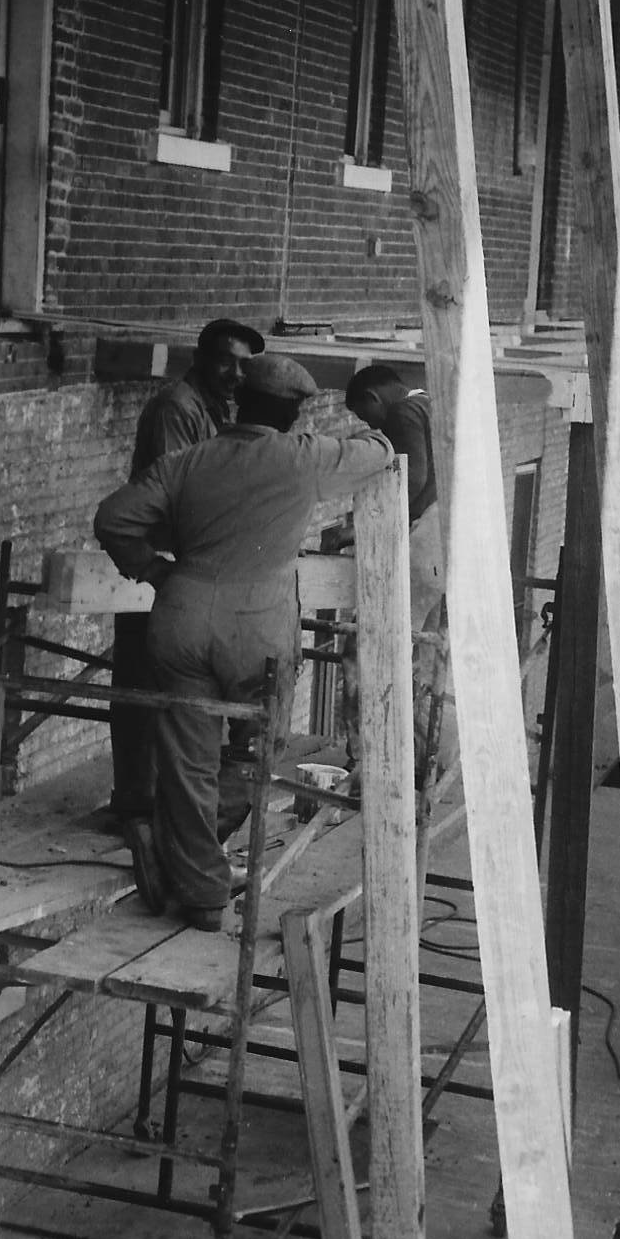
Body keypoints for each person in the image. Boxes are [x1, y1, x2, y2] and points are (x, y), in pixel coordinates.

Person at [93, 354, 396, 928]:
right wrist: (386, 428)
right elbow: (376, 455)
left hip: (180, 620)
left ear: (237, 401)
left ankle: (202, 890)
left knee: (187, 760)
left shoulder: (187, 461)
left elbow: (114, 518)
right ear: (295, 413)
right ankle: (183, 851)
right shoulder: (303, 456)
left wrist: (154, 571)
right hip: (258, 633)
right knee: (259, 751)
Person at [106, 318, 266, 820]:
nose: (236, 374)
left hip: (194, 571)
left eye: (246, 366)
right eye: (227, 361)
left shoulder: (217, 411)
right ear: (200, 358)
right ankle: (139, 806)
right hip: (167, 572)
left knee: (178, 697)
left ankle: (161, 808)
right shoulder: (177, 408)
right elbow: (184, 493)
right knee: (147, 692)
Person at [344, 363, 454, 796]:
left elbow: (414, 479)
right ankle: (428, 763)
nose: (369, 424)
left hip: (424, 539)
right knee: (425, 659)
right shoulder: (433, 407)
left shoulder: (403, 413)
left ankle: (368, 759)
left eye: (363, 415)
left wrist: (373, 525)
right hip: (445, 542)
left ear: (374, 397)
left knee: (373, 642)